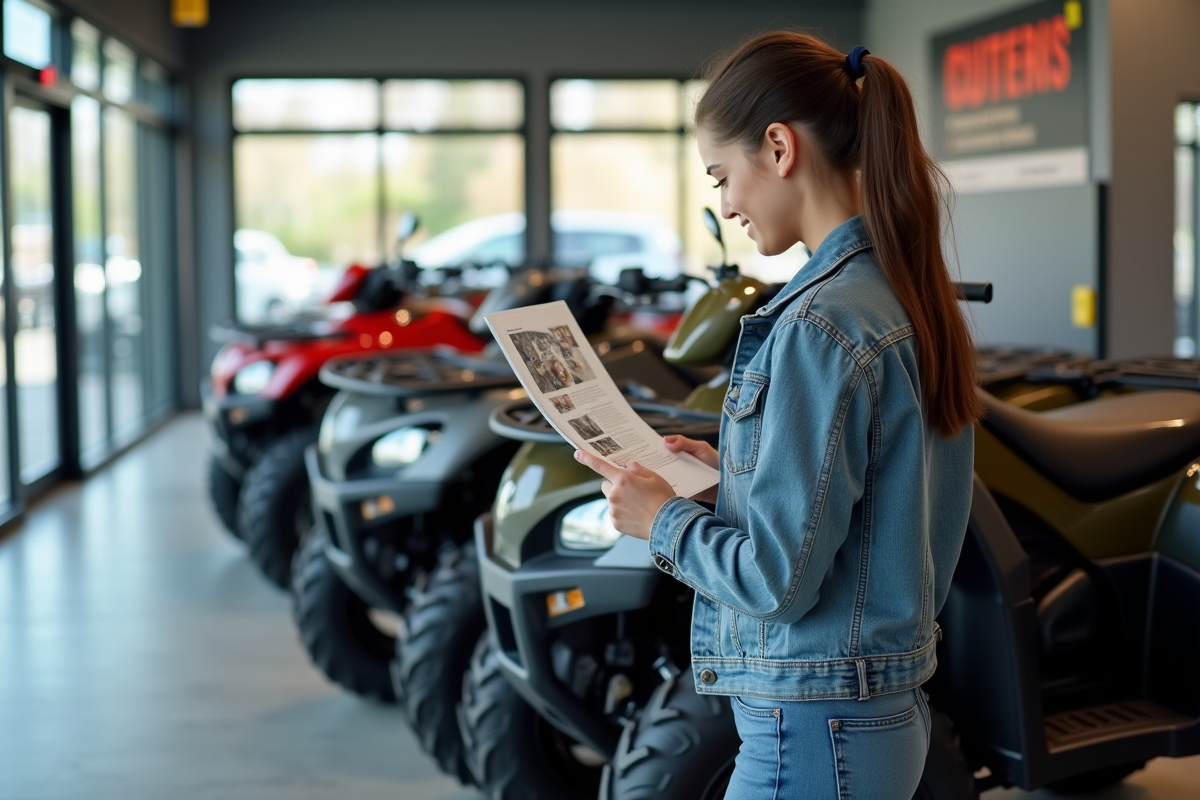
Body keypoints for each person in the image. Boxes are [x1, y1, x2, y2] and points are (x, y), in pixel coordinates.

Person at [573, 32, 979, 800]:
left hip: (815, 728)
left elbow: (776, 581)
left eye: (723, 176)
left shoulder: (820, 325)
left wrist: (658, 519)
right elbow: (858, 505)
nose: (725, 205)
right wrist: (728, 471)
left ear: (780, 147)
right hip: (865, 717)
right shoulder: (897, 294)